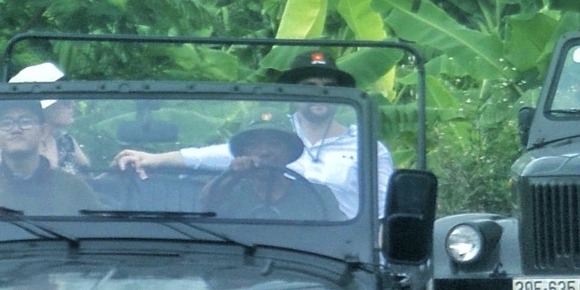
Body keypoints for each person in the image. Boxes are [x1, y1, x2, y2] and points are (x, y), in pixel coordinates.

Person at [113, 52, 393, 218]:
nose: (319, 92)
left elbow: (383, 213)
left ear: (341, 95)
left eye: (328, 86)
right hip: (267, 240)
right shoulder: (273, 137)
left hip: (341, 247)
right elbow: (213, 156)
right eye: (308, 86)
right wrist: (152, 159)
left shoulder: (368, 148)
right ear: (293, 95)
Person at [0, 100, 100, 214]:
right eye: (6, 123)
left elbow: (99, 231)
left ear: (43, 132)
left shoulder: (72, 186)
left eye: (25, 122)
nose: (16, 129)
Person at [198, 118, 341, 221]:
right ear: (243, 153)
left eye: (274, 144)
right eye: (254, 145)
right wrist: (234, 176)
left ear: (289, 152)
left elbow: (337, 237)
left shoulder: (316, 194)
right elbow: (205, 205)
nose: (264, 152)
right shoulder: (231, 192)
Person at [0, 62, 91, 175]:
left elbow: (90, 186)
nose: (72, 104)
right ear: (42, 108)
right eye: (64, 100)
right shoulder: (0, 145)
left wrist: (110, 172)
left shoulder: (65, 142)